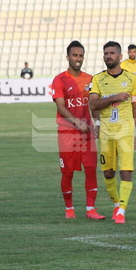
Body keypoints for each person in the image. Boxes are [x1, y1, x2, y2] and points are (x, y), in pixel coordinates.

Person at [50, 41, 105, 221]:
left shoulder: (90, 79)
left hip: (86, 132)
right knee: (68, 172)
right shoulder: (60, 79)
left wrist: (96, 124)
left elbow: (94, 105)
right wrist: (76, 122)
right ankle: (69, 208)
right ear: (68, 57)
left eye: (81, 55)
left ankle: (91, 209)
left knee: (91, 168)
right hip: (67, 133)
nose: (78, 59)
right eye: (75, 55)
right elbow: (61, 106)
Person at [90, 42, 136, 224]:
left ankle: (121, 210)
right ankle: (116, 204)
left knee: (126, 171)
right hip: (106, 133)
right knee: (108, 173)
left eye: (112, 53)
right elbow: (93, 105)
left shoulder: (133, 79)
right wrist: (115, 97)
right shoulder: (97, 79)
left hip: (126, 131)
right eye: (106, 53)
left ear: (120, 56)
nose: (108, 56)